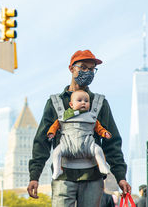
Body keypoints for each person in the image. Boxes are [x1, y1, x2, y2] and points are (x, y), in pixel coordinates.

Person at [27, 50, 131, 207]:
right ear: (71, 69)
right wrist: (34, 176)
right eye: (83, 67)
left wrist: (120, 176)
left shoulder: (99, 103)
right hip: (63, 177)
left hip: (93, 178)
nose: (87, 72)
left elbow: (112, 142)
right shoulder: (55, 103)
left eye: (91, 69)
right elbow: (42, 141)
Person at [47, 90, 112, 179]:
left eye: (86, 101)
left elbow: (99, 128)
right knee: (56, 153)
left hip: (88, 145)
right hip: (67, 145)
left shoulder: (91, 117)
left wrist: (105, 133)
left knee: (98, 150)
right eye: (79, 100)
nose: (83, 103)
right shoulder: (64, 116)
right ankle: (57, 169)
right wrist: (51, 133)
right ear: (71, 104)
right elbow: (55, 126)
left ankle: (102, 166)